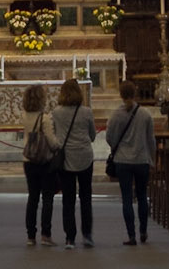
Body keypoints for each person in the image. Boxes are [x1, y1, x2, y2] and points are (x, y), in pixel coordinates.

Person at [105, 79, 156, 245]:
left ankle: (131, 235)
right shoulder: (146, 114)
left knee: (126, 198)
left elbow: (109, 137)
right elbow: (151, 140)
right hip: (142, 160)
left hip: (123, 161)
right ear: (135, 94)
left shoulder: (116, 115)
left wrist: (116, 148)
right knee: (142, 196)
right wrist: (152, 160)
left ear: (120, 95)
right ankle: (143, 231)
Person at [49, 76, 96, 247]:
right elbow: (92, 135)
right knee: (86, 197)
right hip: (84, 156)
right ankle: (88, 235)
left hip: (66, 157)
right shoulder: (87, 112)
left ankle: (70, 238)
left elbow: (53, 134)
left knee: (68, 198)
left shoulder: (56, 112)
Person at [22, 84, 58, 245]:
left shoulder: (24, 115)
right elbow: (51, 140)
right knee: (47, 198)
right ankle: (46, 234)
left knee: (33, 198)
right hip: (44, 160)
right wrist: (59, 145)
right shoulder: (44, 117)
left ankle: (30, 236)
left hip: (29, 160)